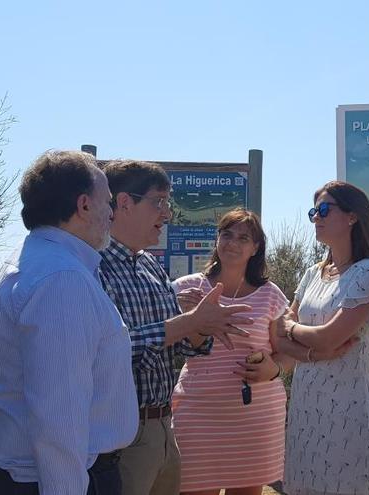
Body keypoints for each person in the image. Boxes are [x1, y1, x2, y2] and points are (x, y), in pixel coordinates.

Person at [0, 151, 137, 493]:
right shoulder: (62, 278)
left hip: (32, 475)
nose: (111, 213)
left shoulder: (32, 263)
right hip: (58, 478)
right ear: (83, 205)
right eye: (107, 202)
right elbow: (58, 417)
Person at [100, 160, 253, 495]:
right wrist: (190, 322)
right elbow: (107, 352)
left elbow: (180, 346)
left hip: (164, 429)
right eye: (159, 202)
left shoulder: (151, 267)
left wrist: (202, 326)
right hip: (121, 436)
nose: (167, 214)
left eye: (168, 204)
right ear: (124, 202)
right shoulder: (94, 267)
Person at [275, 181, 369, 495]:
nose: (316, 217)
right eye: (313, 211)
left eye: (325, 209)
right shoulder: (311, 274)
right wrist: (312, 351)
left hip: (346, 410)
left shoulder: (368, 273)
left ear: (352, 216)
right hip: (305, 408)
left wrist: (294, 331)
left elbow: (327, 338)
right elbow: (279, 337)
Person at [171, 209, 291, 495]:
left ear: (255, 248)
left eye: (243, 237)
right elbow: (180, 349)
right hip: (198, 414)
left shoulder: (271, 294)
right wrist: (191, 317)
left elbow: (286, 352)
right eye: (226, 234)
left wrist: (272, 369)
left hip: (255, 416)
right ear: (217, 239)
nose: (232, 243)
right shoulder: (187, 289)